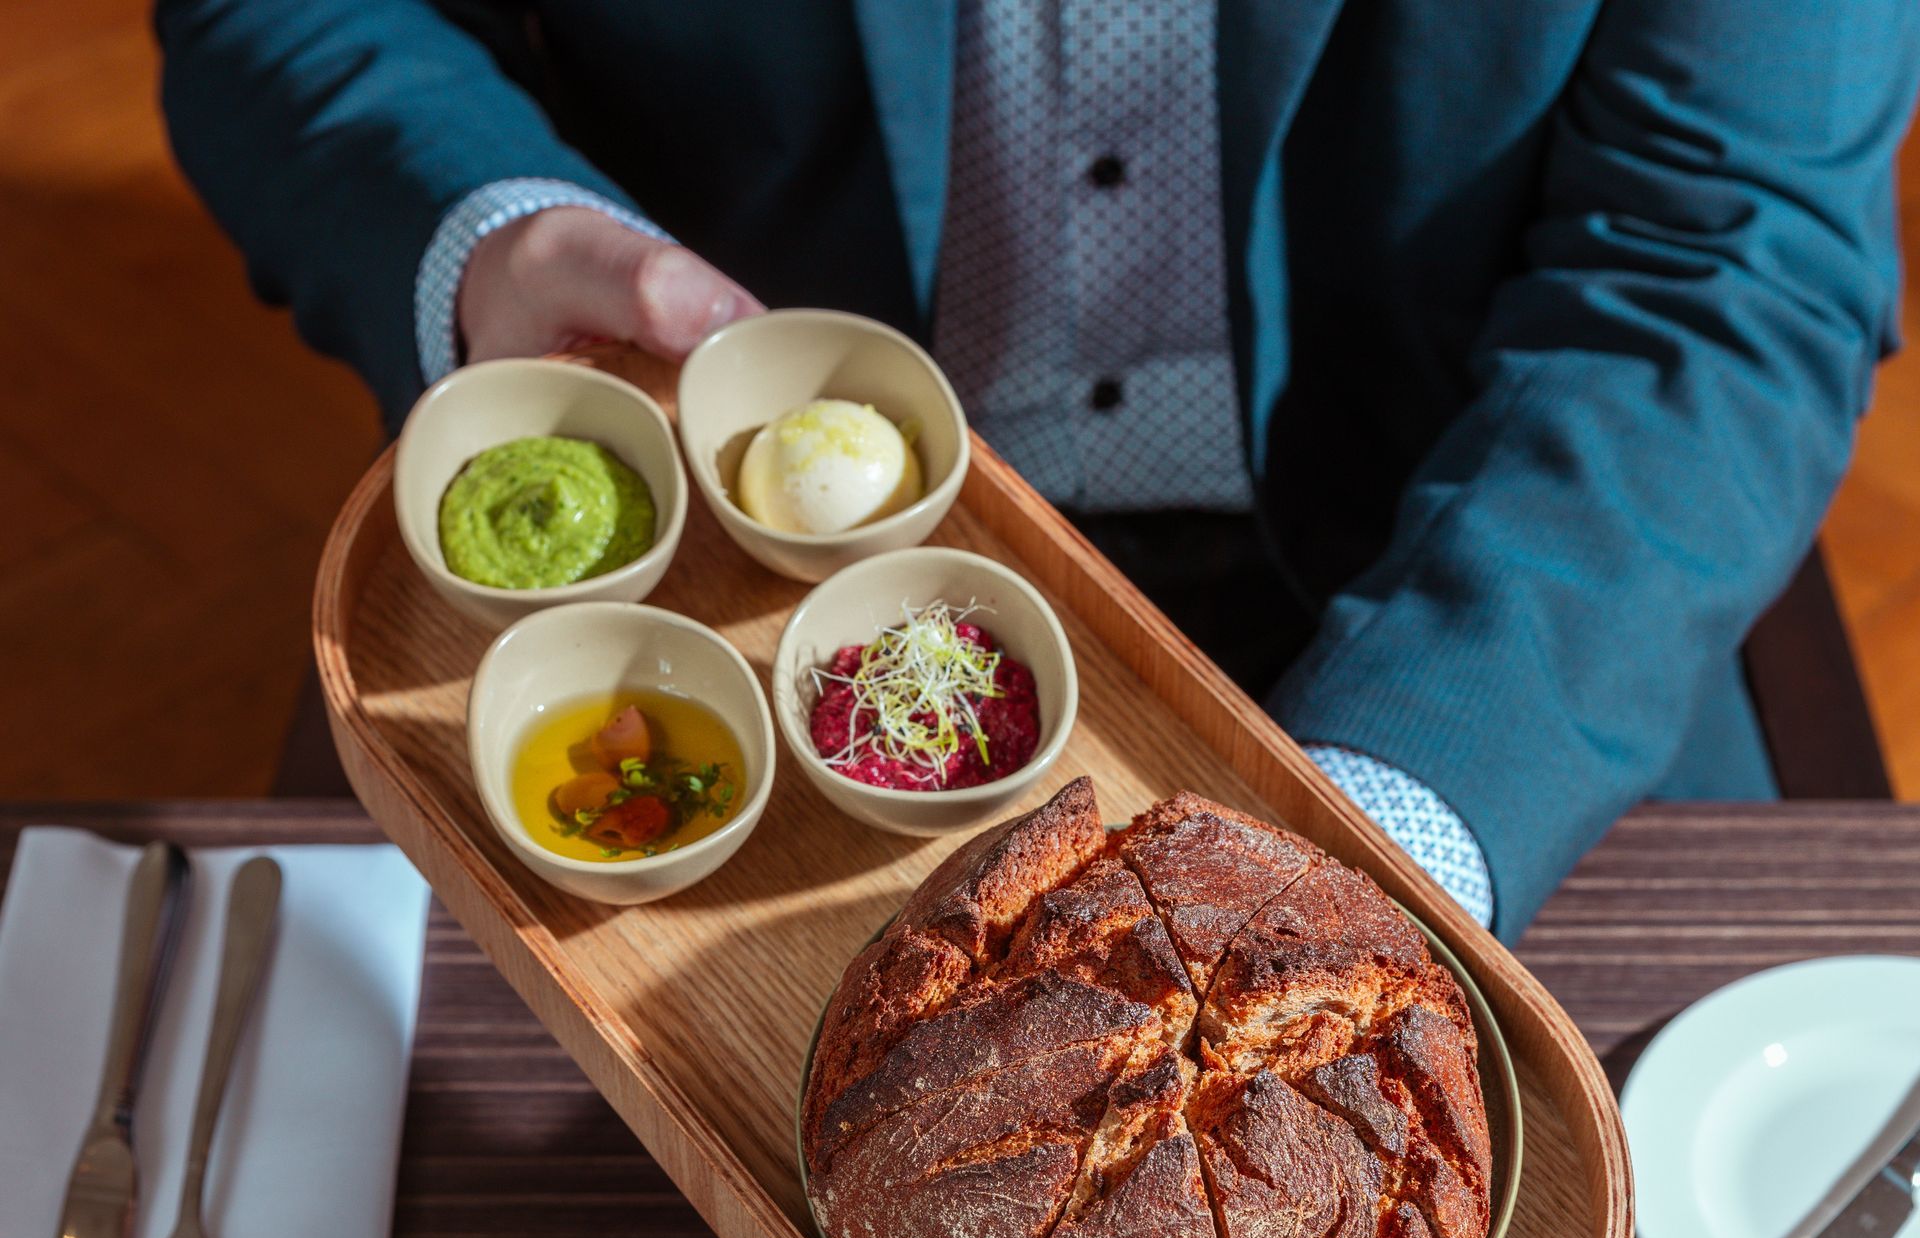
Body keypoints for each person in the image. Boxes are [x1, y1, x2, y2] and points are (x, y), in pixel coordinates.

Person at [157, 1, 1919, 933]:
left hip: (1480, 577)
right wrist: (493, 233)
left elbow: (1726, 251)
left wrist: (1377, 833)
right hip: (729, 590)